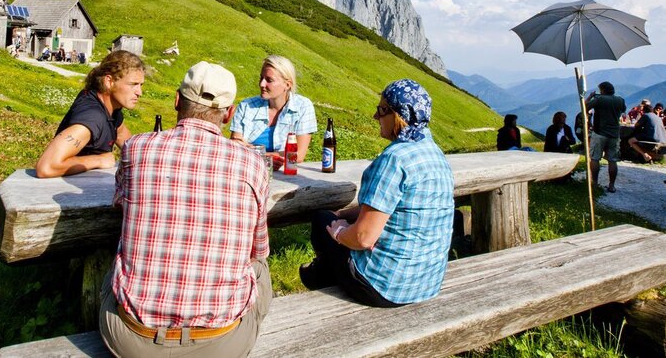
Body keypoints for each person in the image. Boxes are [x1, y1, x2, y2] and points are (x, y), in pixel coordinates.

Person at [100, 62, 271, 357]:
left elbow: (120, 203)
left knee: (113, 266)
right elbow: (258, 249)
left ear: (177, 100)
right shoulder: (252, 163)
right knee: (260, 267)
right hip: (221, 345)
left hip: (132, 341)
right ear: (229, 114)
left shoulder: (136, 148)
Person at [299, 79, 453, 307]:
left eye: (382, 110)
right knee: (335, 220)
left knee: (323, 220)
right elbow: (387, 208)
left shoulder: (394, 159)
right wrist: (344, 215)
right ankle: (323, 272)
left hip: (384, 287)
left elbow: (363, 238)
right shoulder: (435, 154)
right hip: (426, 283)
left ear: (399, 114)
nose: (375, 116)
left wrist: (340, 232)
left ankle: (318, 277)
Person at [35, 50, 145, 177]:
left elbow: (129, 145)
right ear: (109, 81)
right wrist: (98, 160)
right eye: (133, 84)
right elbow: (46, 167)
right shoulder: (92, 117)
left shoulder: (112, 111)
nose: (139, 92)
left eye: (141, 85)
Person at [230, 55, 317, 166]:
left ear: (287, 84)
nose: (262, 84)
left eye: (269, 80)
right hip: (250, 169)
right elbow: (235, 145)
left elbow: (298, 155)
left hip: (285, 173)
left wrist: (252, 150)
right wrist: (270, 158)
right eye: (261, 78)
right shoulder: (247, 105)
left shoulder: (303, 106)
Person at [585, 81, 626, 193]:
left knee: (595, 158)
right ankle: (611, 185)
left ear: (602, 90)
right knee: (612, 160)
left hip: (599, 133)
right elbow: (623, 110)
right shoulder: (620, 100)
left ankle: (595, 183)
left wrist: (590, 97)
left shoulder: (599, 99)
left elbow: (584, 107)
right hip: (614, 134)